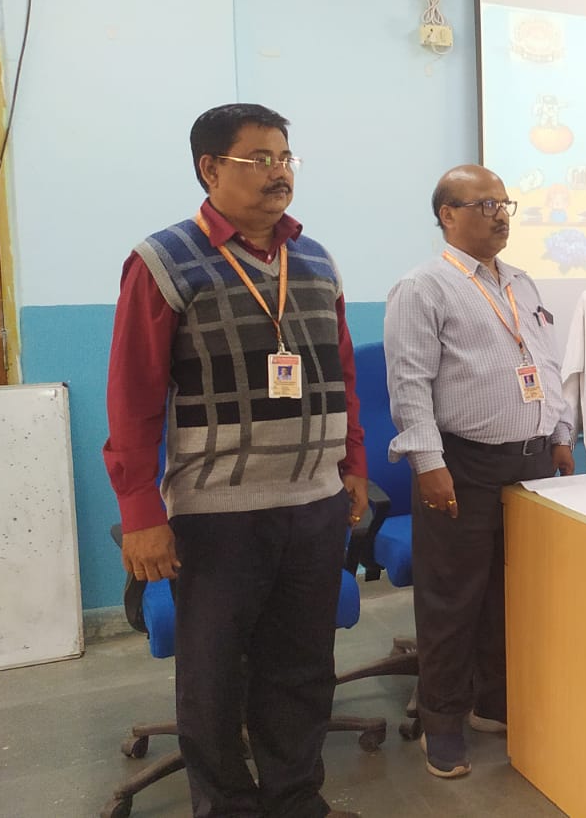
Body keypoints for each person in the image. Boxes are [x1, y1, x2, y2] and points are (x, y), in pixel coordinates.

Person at [103, 103, 368, 818]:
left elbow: (339, 372)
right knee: (215, 679)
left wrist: (353, 465)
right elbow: (132, 399)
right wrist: (140, 513)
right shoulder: (163, 262)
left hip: (313, 505)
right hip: (218, 514)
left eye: (285, 158)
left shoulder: (316, 260)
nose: (279, 172)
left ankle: (295, 800)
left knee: (302, 670)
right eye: (260, 159)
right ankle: (226, 808)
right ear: (210, 168)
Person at [384, 164, 575, 779]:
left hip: (531, 461)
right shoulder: (424, 287)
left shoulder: (520, 281)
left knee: (513, 592)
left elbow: (544, 364)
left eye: (504, 204)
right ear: (447, 215)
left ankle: (493, 702)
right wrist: (427, 462)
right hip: (461, 463)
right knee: (453, 598)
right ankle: (440, 722)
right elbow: (409, 383)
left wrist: (560, 434)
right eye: (485, 204)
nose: (500, 215)